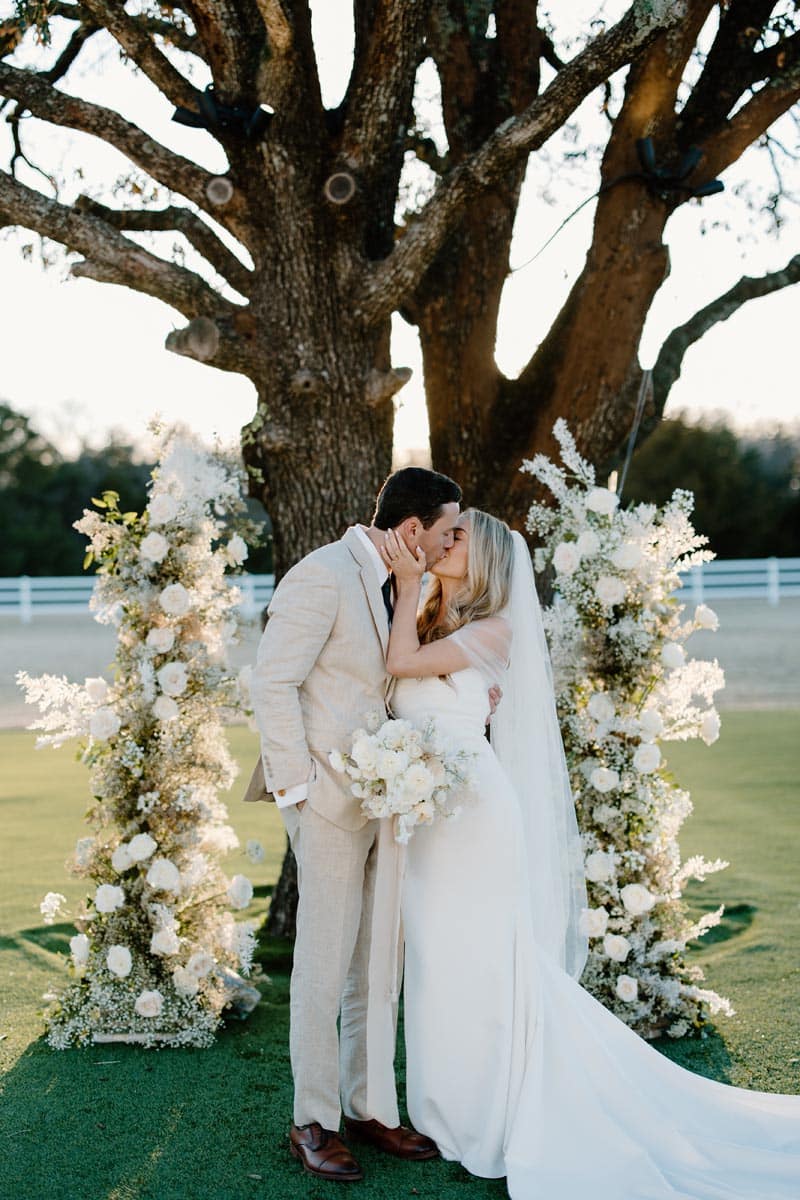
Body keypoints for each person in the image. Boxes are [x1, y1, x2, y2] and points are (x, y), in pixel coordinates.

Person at [380, 509, 800, 1199]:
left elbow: (401, 666)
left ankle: (491, 1110)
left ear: (487, 560)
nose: (443, 541)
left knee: (484, 960)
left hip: (478, 815)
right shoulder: (425, 617)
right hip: (427, 815)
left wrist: (403, 585)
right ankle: (444, 1108)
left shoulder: (494, 628)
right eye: (445, 533)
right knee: (435, 958)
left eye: (459, 537)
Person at [246, 466, 461, 1182]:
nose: (449, 545)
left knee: (377, 961)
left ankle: (369, 1108)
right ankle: (312, 1120)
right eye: (444, 533)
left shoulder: (408, 583)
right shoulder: (321, 575)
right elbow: (273, 680)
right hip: (325, 801)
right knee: (324, 961)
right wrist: (297, 789)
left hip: (389, 800)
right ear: (411, 529)